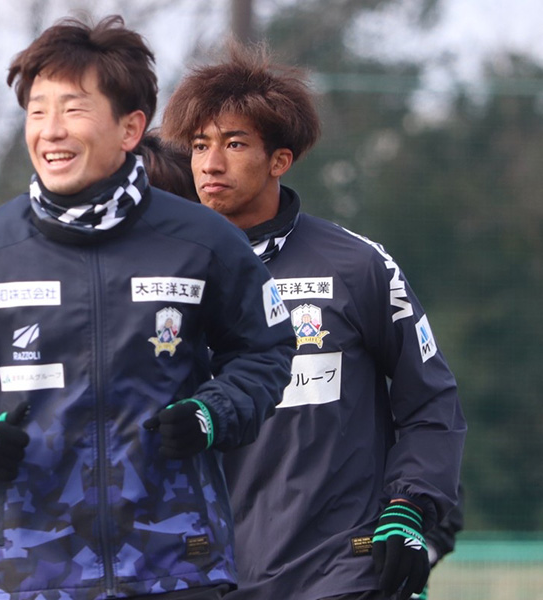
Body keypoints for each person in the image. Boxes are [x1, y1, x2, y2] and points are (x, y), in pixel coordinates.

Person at [0, 18, 296, 600]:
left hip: (179, 569)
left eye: (73, 110)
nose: (50, 132)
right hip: (31, 574)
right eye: (37, 111)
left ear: (131, 127)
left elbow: (267, 350)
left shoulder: (205, 242)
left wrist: (214, 413)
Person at [160, 43, 466, 600]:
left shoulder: (359, 266)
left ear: (280, 159)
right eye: (200, 145)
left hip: (342, 572)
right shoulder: (161, 278)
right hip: (203, 573)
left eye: (234, 144)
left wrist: (409, 508)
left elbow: (431, 403)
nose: (210, 164)